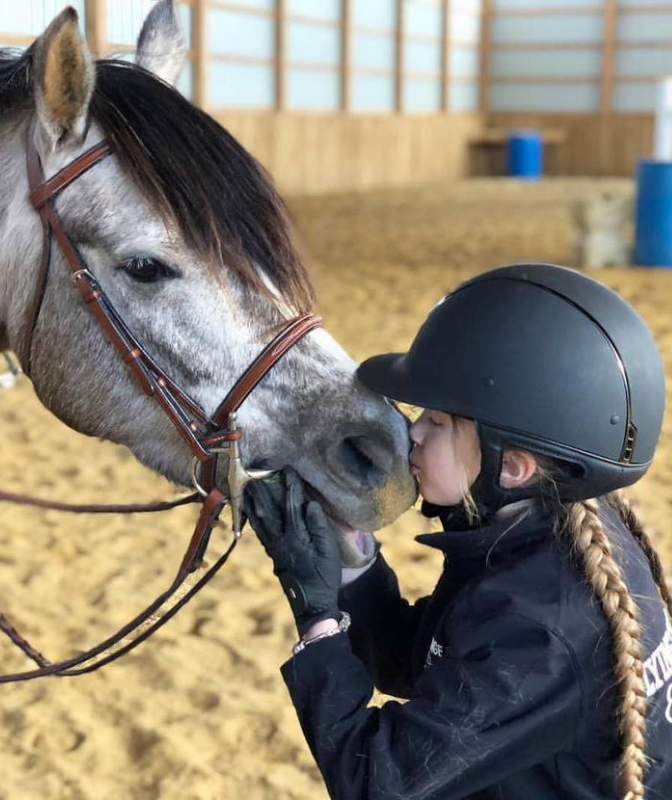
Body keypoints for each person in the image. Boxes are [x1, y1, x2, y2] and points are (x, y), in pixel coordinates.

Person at [245, 264, 672, 800]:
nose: (413, 431)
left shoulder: (541, 631)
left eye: (439, 421)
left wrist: (317, 622)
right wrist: (350, 555)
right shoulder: (538, 535)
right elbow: (419, 665)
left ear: (512, 466)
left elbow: (375, 782)